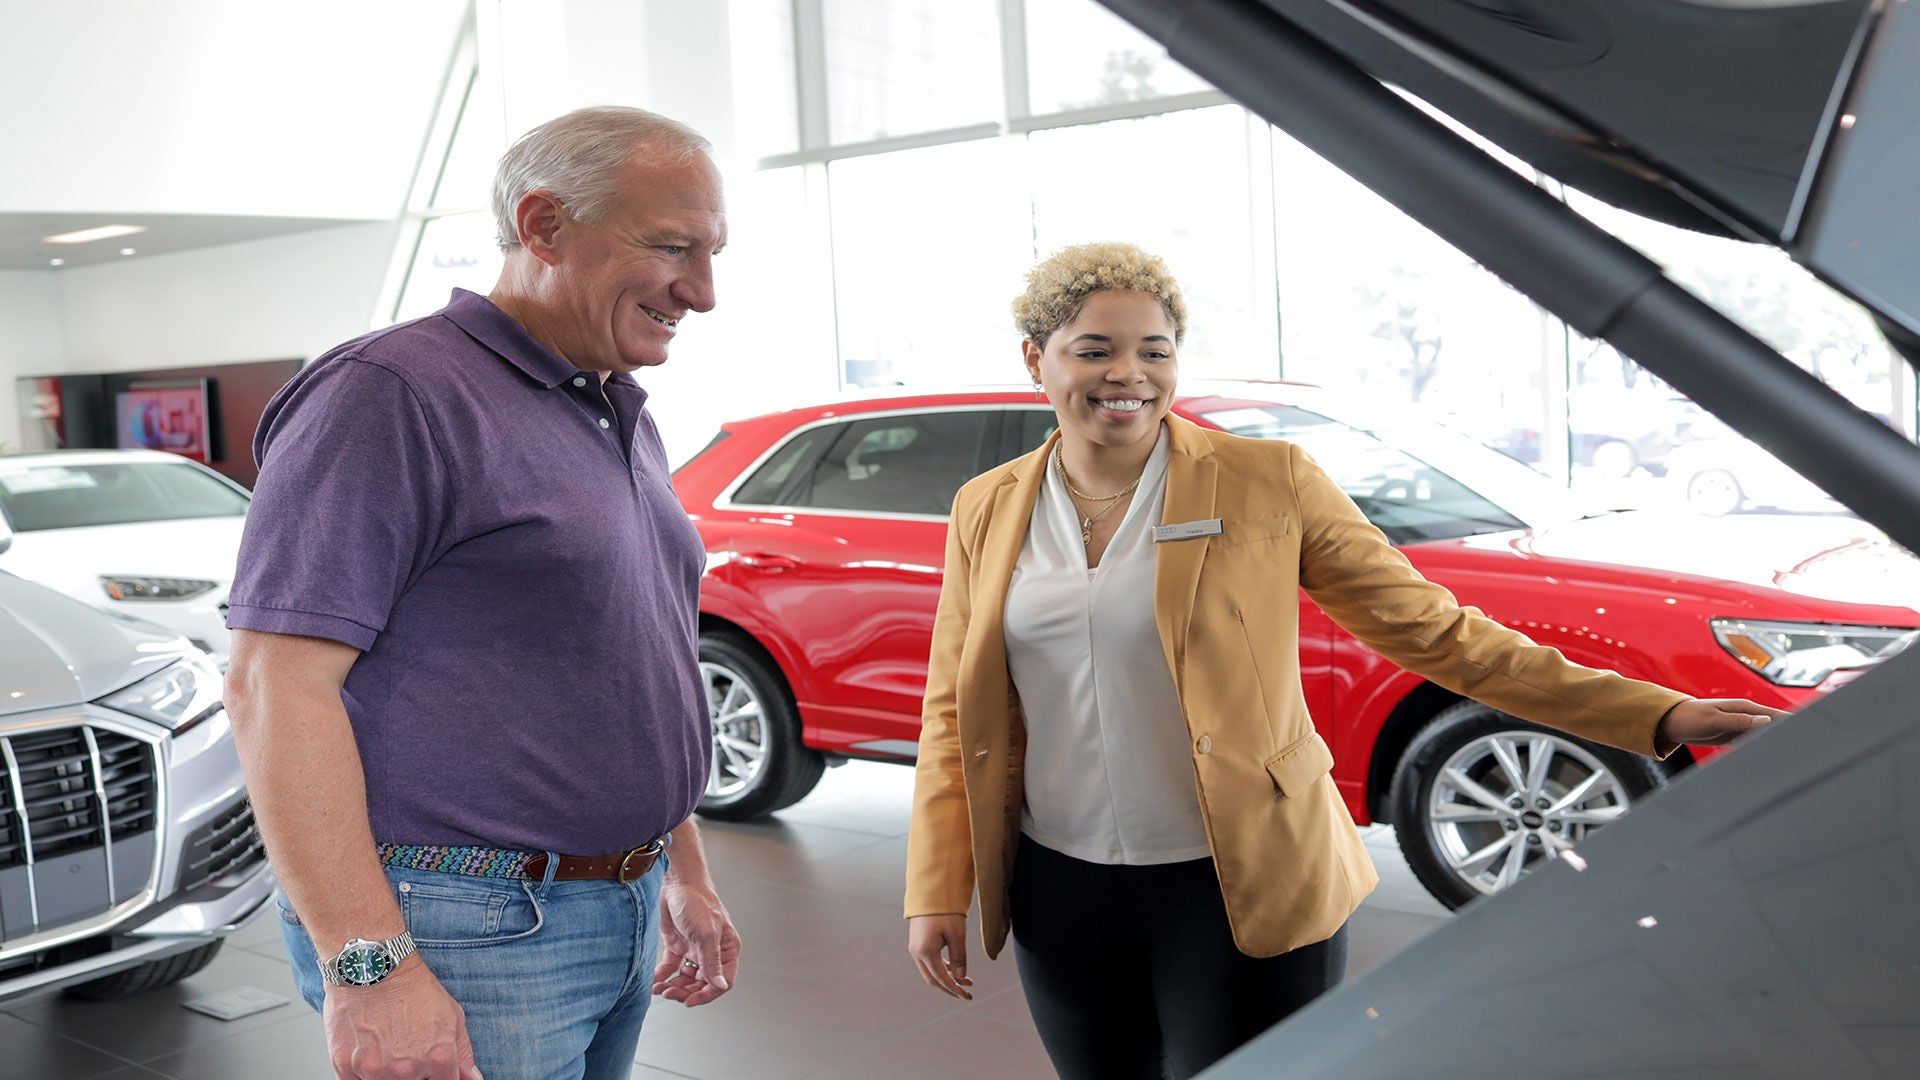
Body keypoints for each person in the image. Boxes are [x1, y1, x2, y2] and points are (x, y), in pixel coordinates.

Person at [902, 241, 1784, 1079]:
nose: (1129, 373)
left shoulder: (1269, 480)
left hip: (1244, 874)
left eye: (1154, 351)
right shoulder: (988, 505)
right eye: (1095, 350)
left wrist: (1655, 713)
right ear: (1037, 359)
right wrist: (936, 888)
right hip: (1061, 884)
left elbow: (1438, 633)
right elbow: (954, 710)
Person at [225, 105, 739, 1080]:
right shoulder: (388, 393)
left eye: (712, 254)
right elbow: (271, 688)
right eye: (673, 248)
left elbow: (629, 662)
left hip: (618, 900)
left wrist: (681, 868)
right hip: (469, 922)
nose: (702, 292)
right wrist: (369, 968)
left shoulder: (614, 406)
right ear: (543, 225)